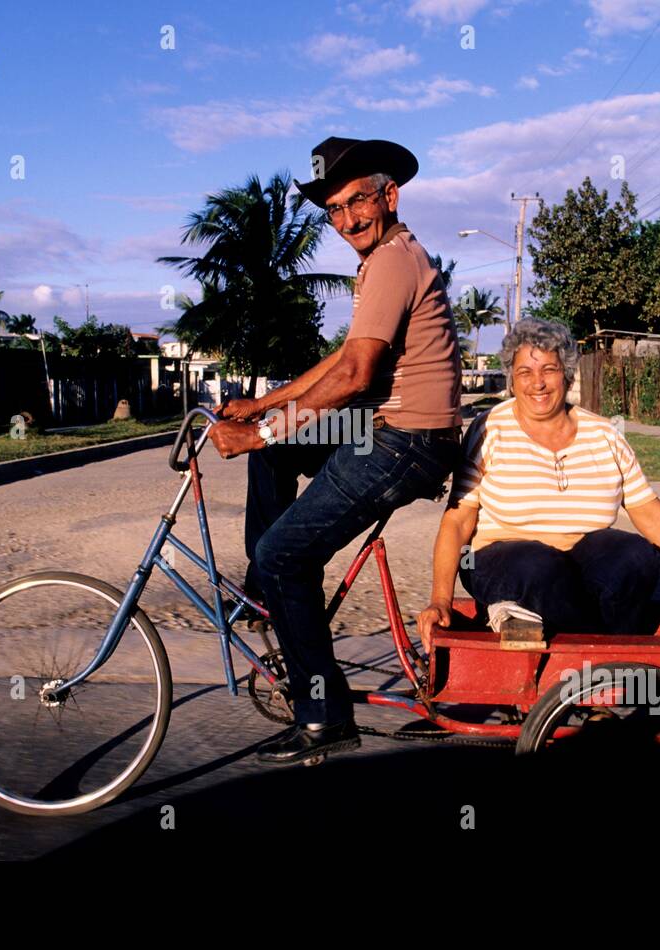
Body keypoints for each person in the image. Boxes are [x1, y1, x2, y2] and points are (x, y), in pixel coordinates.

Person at [208, 137, 463, 764]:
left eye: (356, 202)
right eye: (334, 211)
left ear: (388, 195)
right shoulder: (383, 260)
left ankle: (324, 717)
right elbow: (339, 361)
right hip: (389, 427)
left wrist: (258, 432)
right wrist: (266, 409)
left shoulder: (394, 261)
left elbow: (353, 374)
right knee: (275, 463)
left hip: (404, 440)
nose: (347, 220)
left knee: (283, 553)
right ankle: (269, 591)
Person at [417, 318, 660, 652]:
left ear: (567, 373)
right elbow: (458, 519)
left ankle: (583, 661)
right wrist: (440, 600)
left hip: (579, 565)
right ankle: (603, 662)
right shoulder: (490, 430)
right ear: (512, 380)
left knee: (637, 557)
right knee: (540, 565)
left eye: (549, 369)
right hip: (502, 561)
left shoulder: (603, 435)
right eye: (525, 372)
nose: (538, 383)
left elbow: (648, 510)